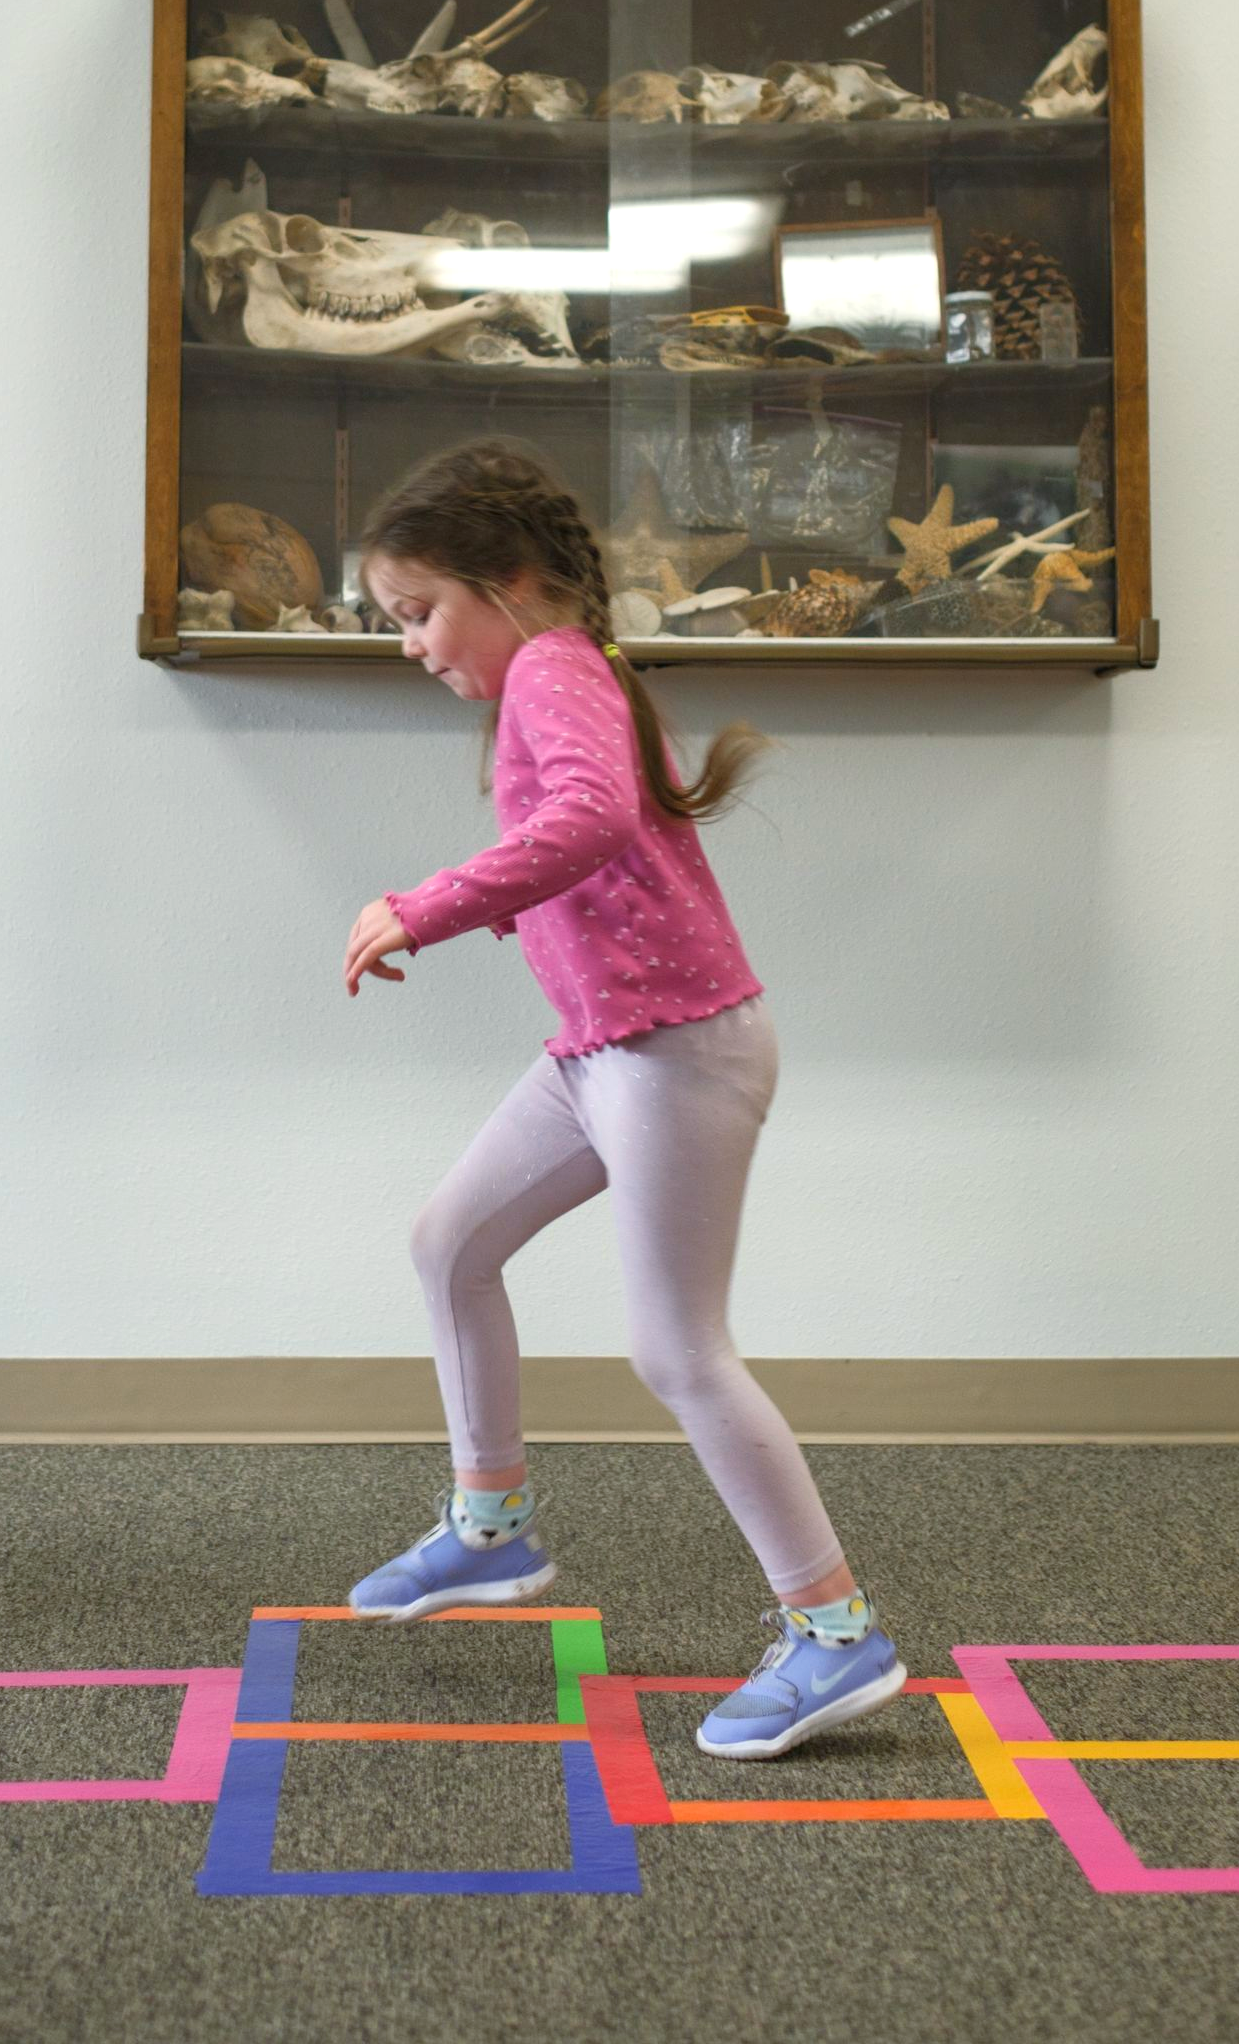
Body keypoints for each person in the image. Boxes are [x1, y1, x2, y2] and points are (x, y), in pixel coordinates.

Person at [340, 436, 907, 1760]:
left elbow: (590, 821)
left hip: (676, 1050)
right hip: (600, 1048)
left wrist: (422, 903)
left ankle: (834, 1631)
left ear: (514, 580)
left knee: (677, 1349)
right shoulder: (551, 675)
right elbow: (583, 846)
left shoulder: (553, 666)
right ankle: (491, 1528)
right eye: (393, 621)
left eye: (420, 611)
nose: (411, 644)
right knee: (450, 1240)